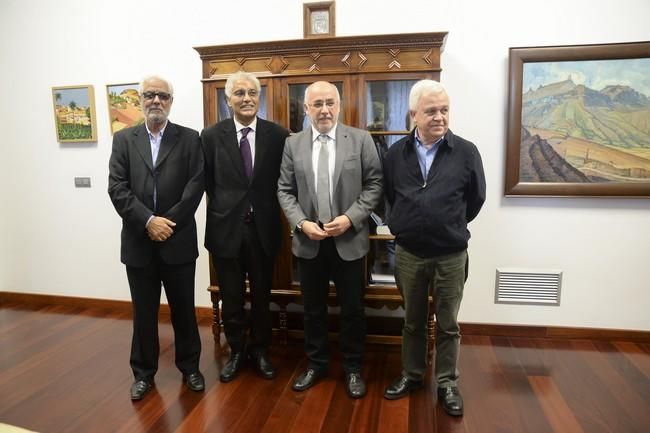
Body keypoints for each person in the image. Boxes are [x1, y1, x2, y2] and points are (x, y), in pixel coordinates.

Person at [382, 79, 486, 416]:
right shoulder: (396, 153)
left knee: (448, 323)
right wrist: (400, 223)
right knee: (412, 320)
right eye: (431, 111)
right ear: (413, 114)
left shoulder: (466, 152)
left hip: (450, 255)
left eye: (444, 110)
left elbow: (476, 198)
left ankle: (446, 383)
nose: (439, 117)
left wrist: (449, 224)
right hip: (410, 253)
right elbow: (387, 196)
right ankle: (412, 375)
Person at [277, 81, 383, 399]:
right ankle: (317, 363)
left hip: (348, 240)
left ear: (339, 105)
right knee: (312, 310)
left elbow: (375, 185)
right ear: (306, 108)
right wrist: (300, 223)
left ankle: (352, 368)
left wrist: (350, 218)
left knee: (352, 309)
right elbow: (284, 189)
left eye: (329, 103)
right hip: (310, 241)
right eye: (317, 104)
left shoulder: (361, 140)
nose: (324, 110)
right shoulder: (292, 144)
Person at [108, 75, 205, 401]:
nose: (156, 101)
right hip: (138, 243)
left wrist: (167, 223)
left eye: (162, 96)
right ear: (140, 99)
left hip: (177, 241)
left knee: (184, 311)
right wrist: (148, 221)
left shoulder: (190, 139)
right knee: (144, 313)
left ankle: (190, 368)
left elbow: (195, 188)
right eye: (149, 95)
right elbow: (117, 188)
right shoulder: (124, 140)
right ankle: (143, 374)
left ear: (171, 101)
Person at [201, 71, 290, 382]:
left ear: (259, 97)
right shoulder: (211, 137)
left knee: (263, 296)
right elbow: (210, 183)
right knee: (232, 296)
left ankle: (260, 350)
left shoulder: (278, 135)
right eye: (239, 93)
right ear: (228, 101)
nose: (247, 98)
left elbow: (285, 182)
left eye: (252, 92)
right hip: (226, 230)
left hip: (263, 229)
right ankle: (237, 350)